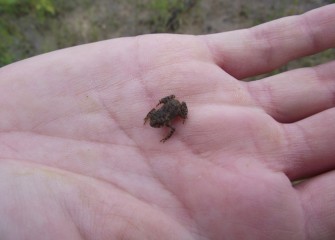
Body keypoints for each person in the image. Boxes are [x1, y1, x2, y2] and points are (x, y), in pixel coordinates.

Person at [0, 4, 334, 240]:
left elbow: (171, 124)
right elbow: (155, 111)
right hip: (168, 101)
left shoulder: (169, 120)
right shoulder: (157, 116)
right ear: (159, 118)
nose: (158, 124)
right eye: (158, 122)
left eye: (158, 123)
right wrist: (154, 116)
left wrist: (169, 127)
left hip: (175, 103)